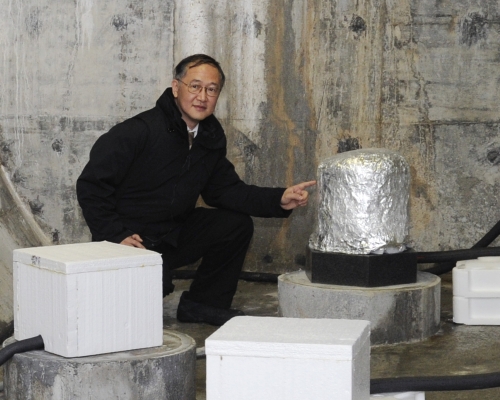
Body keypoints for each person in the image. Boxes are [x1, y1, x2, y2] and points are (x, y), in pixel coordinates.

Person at [76, 54, 315, 326]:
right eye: (195, 86)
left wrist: (279, 198)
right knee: (142, 308)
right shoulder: (136, 131)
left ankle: (202, 305)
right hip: (131, 238)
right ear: (176, 87)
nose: (202, 96)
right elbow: (91, 186)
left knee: (234, 225)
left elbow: (225, 191)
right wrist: (115, 234)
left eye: (211, 89)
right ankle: (141, 279)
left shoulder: (210, 137)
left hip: (172, 236)